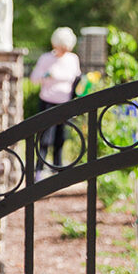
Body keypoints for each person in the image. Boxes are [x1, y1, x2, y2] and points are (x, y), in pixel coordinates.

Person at [30, 27, 82, 176]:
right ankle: (39, 169)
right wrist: (48, 75)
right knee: (45, 138)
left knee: (61, 137)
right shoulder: (46, 59)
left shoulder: (73, 59)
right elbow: (34, 78)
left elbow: (76, 78)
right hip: (48, 102)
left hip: (65, 103)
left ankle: (58, 169)